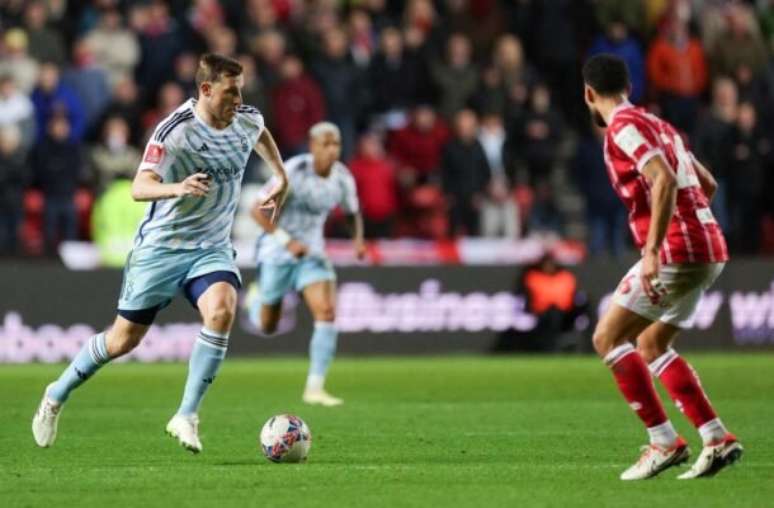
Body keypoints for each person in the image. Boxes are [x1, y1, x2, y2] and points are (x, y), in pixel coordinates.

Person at [31, 53, 289, 454]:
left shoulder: (247, 118)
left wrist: (279, 174)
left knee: (222, 309)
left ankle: (186, 414)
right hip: (162, 248)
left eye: (241, 90)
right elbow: (139, 186)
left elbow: (261, 133)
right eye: (230, 91)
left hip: (211, 247)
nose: (239, 99)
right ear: (205, 89)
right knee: (122, 341)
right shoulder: (175, 130)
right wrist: (178, 187)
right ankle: (56, 393)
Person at [582, 54, 741, 481]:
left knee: (608, 337)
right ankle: (716, 436)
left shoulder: (622, 127)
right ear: (629, 87)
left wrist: (653, 250)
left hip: (677, 250)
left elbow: (664, 179)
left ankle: (663, 442)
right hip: (708, 247)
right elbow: (706, 183)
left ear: (589, 94)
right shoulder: (661, 125)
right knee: (651, 344)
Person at [245, 122, 365, 407]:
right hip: (277, 251)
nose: (331, 149)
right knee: (267, 325)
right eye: (325, 144)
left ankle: (315, 387)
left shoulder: (342, 178)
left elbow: (352, 212)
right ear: (312, 146)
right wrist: (287, 241)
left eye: (335, 144)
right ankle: (255, 299)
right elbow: (257, 211)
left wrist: (358, 240)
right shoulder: (292, 172)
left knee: (326, 311)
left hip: (312, 254)